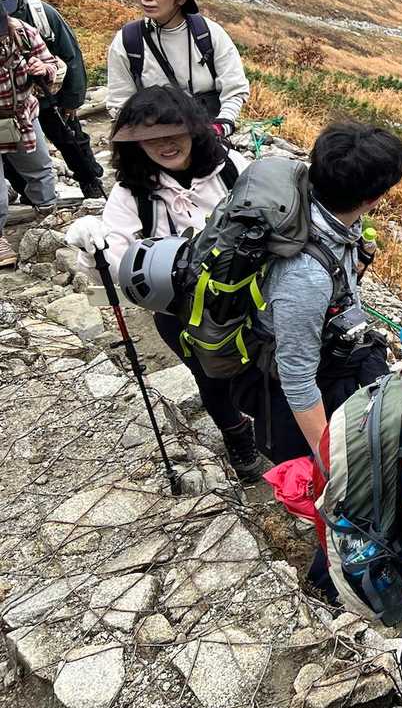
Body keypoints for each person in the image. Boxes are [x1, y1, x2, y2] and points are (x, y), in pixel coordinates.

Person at [64, 86, 261, 480]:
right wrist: (91, 247)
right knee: (210, 374)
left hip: (248, 293)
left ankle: (274, 427)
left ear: (194, 129)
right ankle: (237, 434)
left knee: (263, 365)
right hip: (180, 310)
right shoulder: (132, 192)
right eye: (150, 138)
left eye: (174, 133)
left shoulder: (232, 168)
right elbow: (117, 262)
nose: (165, 145)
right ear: (134, 144)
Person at [234, 123, 402, 465]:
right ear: (373, 198)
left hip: (330, 349)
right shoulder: (306, 276)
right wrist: (330, 461)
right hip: (306, 380)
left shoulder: (324, 215)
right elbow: (297, 378)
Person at [105, 0, 250, 133]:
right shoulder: (127, 41)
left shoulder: (209, 34)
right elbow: (119, 103)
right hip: (153, 139)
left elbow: (234, 89)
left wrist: (221, 127)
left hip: (209, 134)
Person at [1, 0, 104, 199]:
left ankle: (90, 180)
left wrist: (72, 100)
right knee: (9, 148)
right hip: (12, 103)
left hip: (49, 94)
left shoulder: (41, 14)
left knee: (70, 138)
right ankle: (26, 191)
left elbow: (70, 55)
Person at [0, 0, 63, 267]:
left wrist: (43, 69)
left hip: (22, 115)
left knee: (40, 168)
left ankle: (47, 214)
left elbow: (52, 64)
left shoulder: (23, 32)